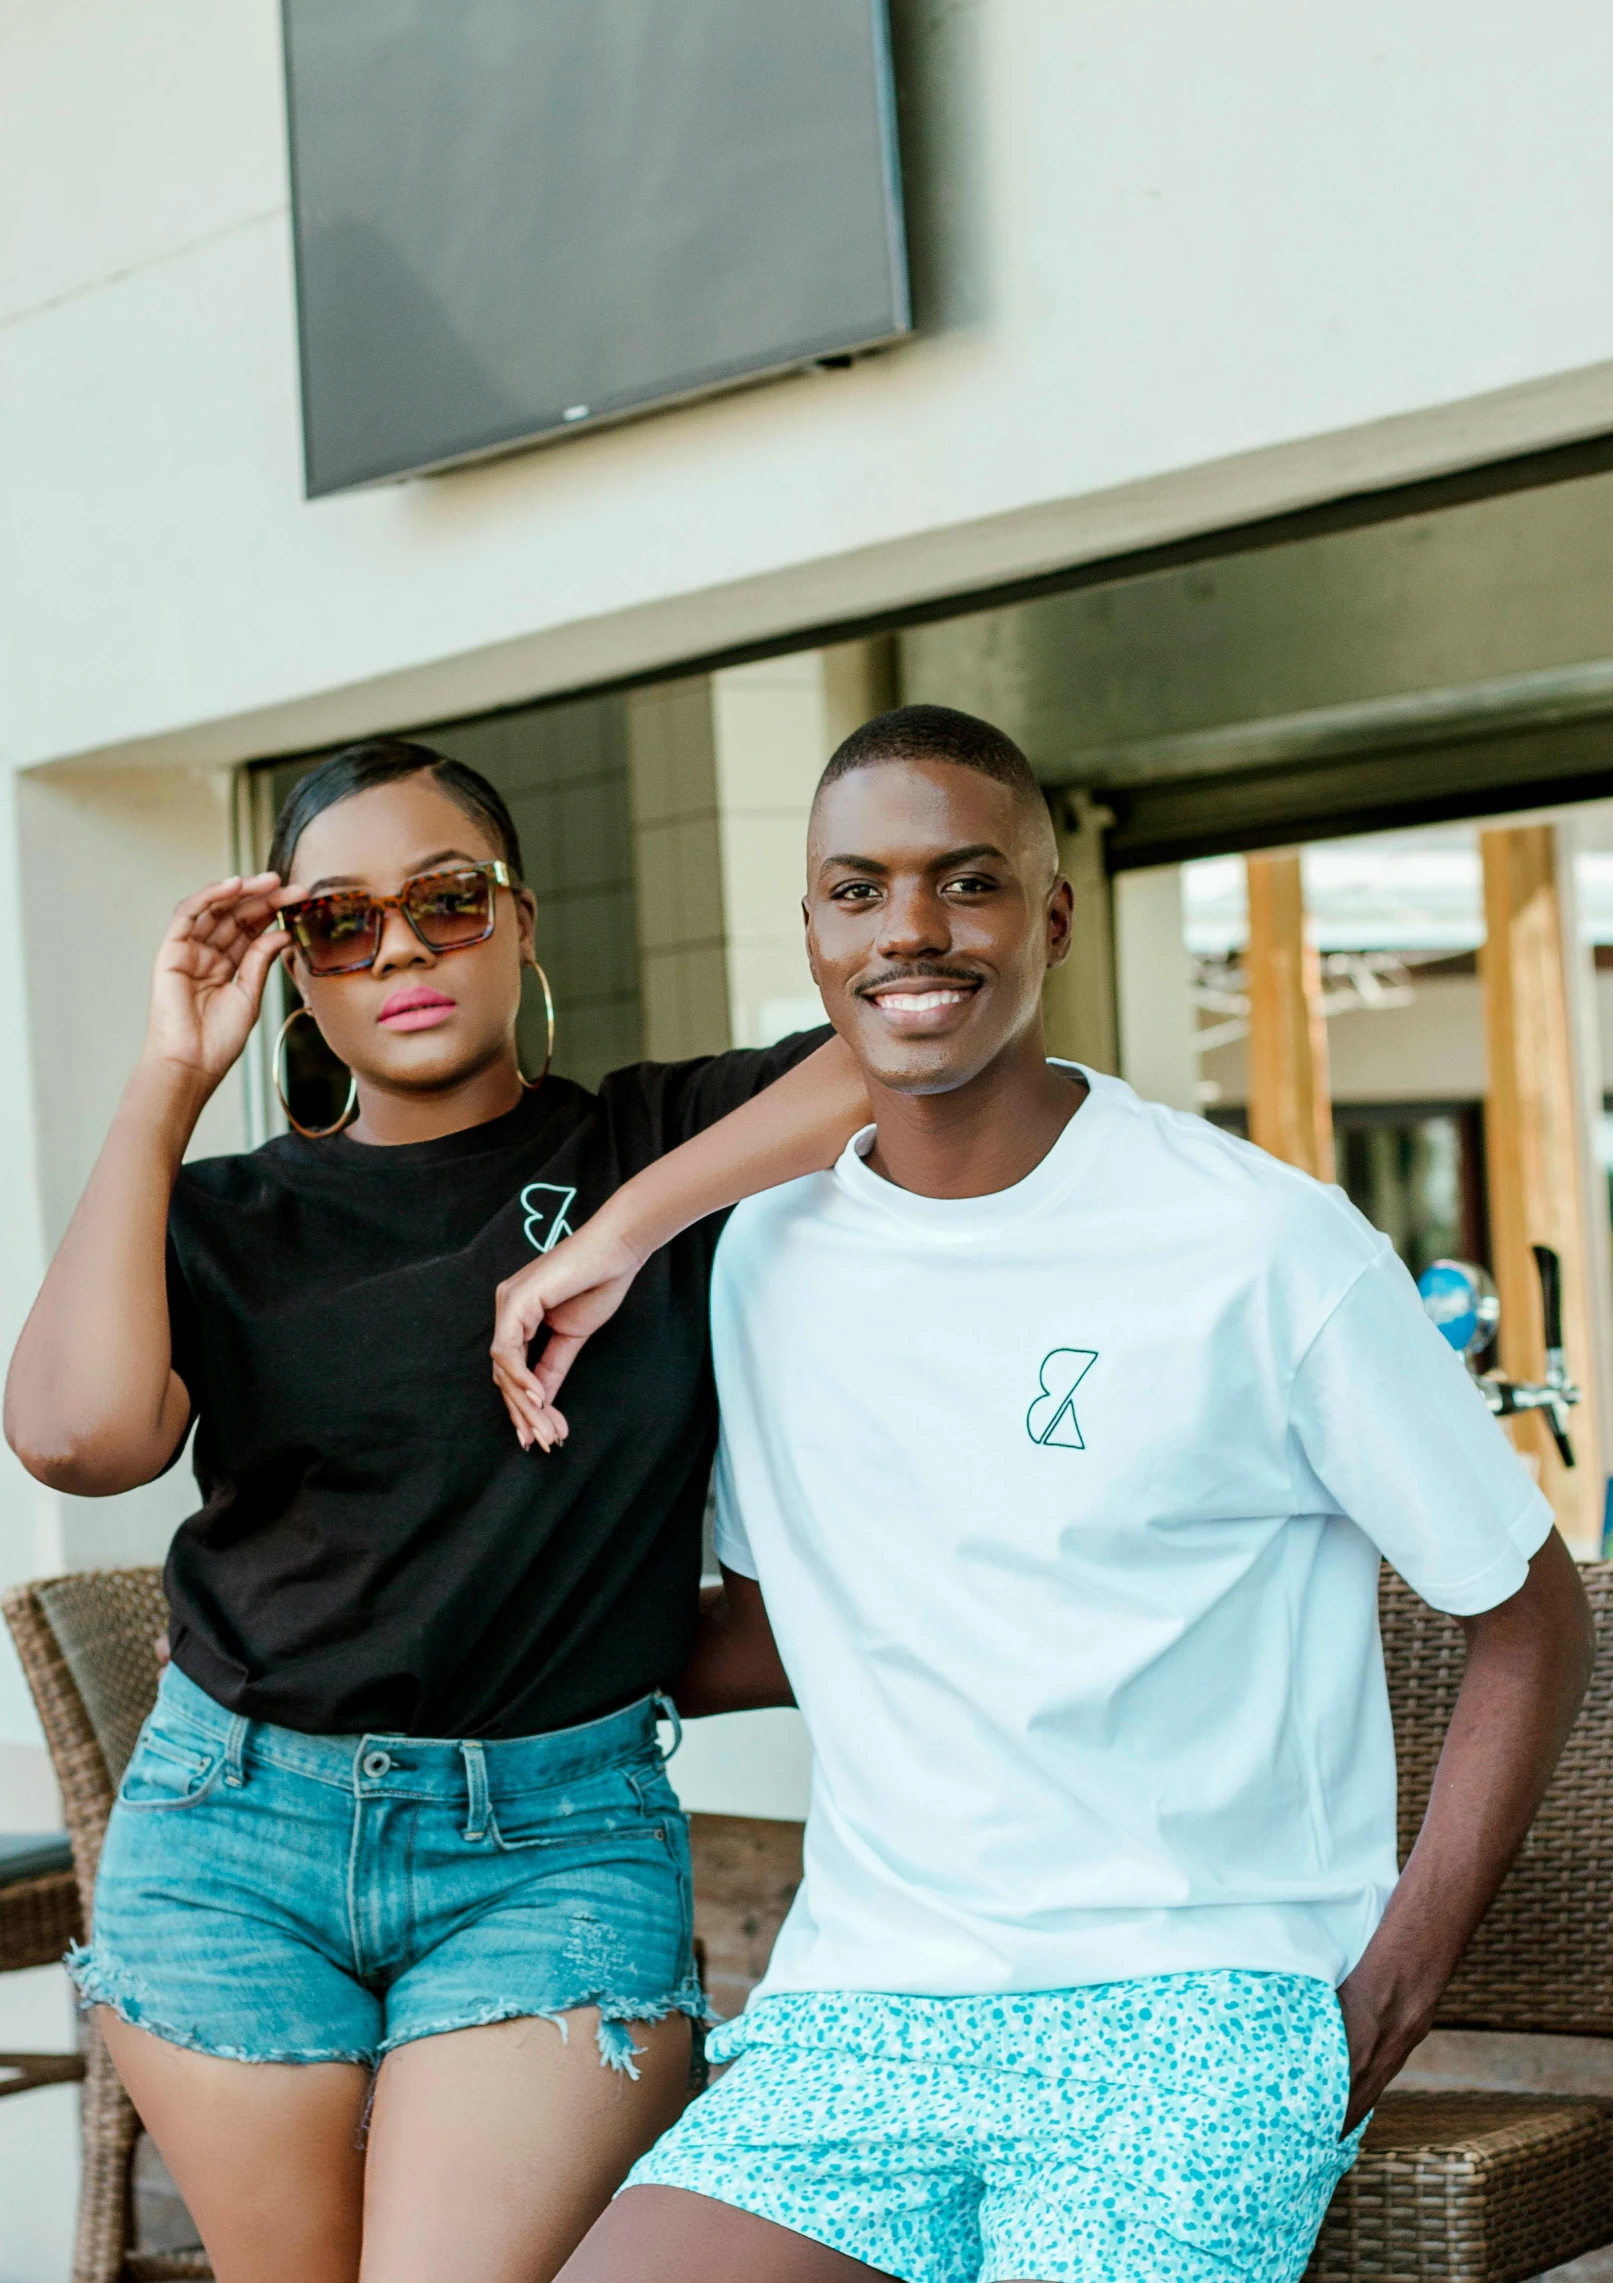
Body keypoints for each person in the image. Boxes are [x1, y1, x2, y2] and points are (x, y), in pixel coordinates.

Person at [506, 704, 1594, 2283]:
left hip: (1195, 2008)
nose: (914, 931)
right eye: (860, 889)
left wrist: (1401, 1971)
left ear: (1055, 915)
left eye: (970, 881)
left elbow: (1532, 1618)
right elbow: (797, 1616)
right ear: (811, 929)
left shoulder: (1262, 1248)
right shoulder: (761, 1258)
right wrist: (490, 1665)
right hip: (861, 2010)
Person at [3, 738, 868, 2283]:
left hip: (552, 1844)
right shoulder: (227, 1215)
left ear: (523, 922)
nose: (397, 943)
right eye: (339, 921)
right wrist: (167, 1077)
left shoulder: (654, 1141)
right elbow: (73, 1437)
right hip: (228, 1834)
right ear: (299, 976)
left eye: (446, 899)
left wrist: (624, 1227)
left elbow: (916, 1049)